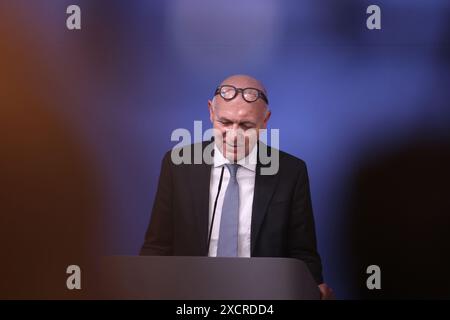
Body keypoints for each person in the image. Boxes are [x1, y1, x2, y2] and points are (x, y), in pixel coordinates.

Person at [140, 74, 334, 299]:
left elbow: (302, 255)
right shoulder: (177, 164)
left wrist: (313, 290)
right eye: (225, 122)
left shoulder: (292, 172)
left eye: (246, 125)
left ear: (265, 122)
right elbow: (157, 248)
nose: (234, 135)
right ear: (211, 112)